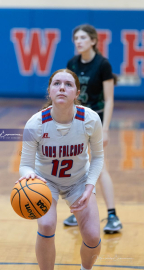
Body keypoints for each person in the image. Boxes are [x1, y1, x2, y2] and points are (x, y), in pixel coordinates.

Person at [18, 68, 104, 270]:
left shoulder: (90, 119)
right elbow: (25, 164)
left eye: (68, 84)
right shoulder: (36, 123)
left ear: (77, 92)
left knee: (92, 236)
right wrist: (28, 175)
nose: (62, 88)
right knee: (46, 225)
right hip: (46, 182)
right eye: (57, 84)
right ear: (49, 91)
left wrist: (89, 187)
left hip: (79, 181)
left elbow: (99, 157)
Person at [63, 24, 122, 234]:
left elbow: (109, 100)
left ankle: (113, 215)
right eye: (75, 38)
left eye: (82, 38)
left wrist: (105, 129)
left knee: (100, 167)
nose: (78, 41)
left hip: (97, 121)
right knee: (78, 168)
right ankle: (79, 209)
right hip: (76, 123)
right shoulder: (72, 63)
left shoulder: (103, 64)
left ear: (93, 41)